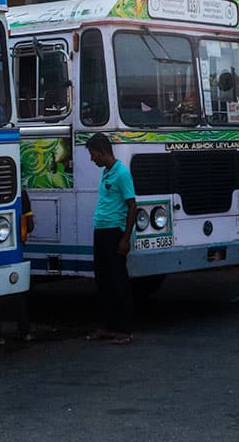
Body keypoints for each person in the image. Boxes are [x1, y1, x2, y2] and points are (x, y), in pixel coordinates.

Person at [84, 132, 136, 345]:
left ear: (102, 152)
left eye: (93, 154)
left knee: (118, 282)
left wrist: (125, 239)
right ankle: (106, 327)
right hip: (101, 231)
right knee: (103, 281)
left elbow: (132, 206)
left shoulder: (122, 173)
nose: (92, 158)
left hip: (114, 232)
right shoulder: (106, 172)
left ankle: (124, 330)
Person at [0, 190, 36, 346]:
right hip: (12, 249)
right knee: (16, 291)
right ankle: (25, 331)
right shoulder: (20, 193)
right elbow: (30, 225)